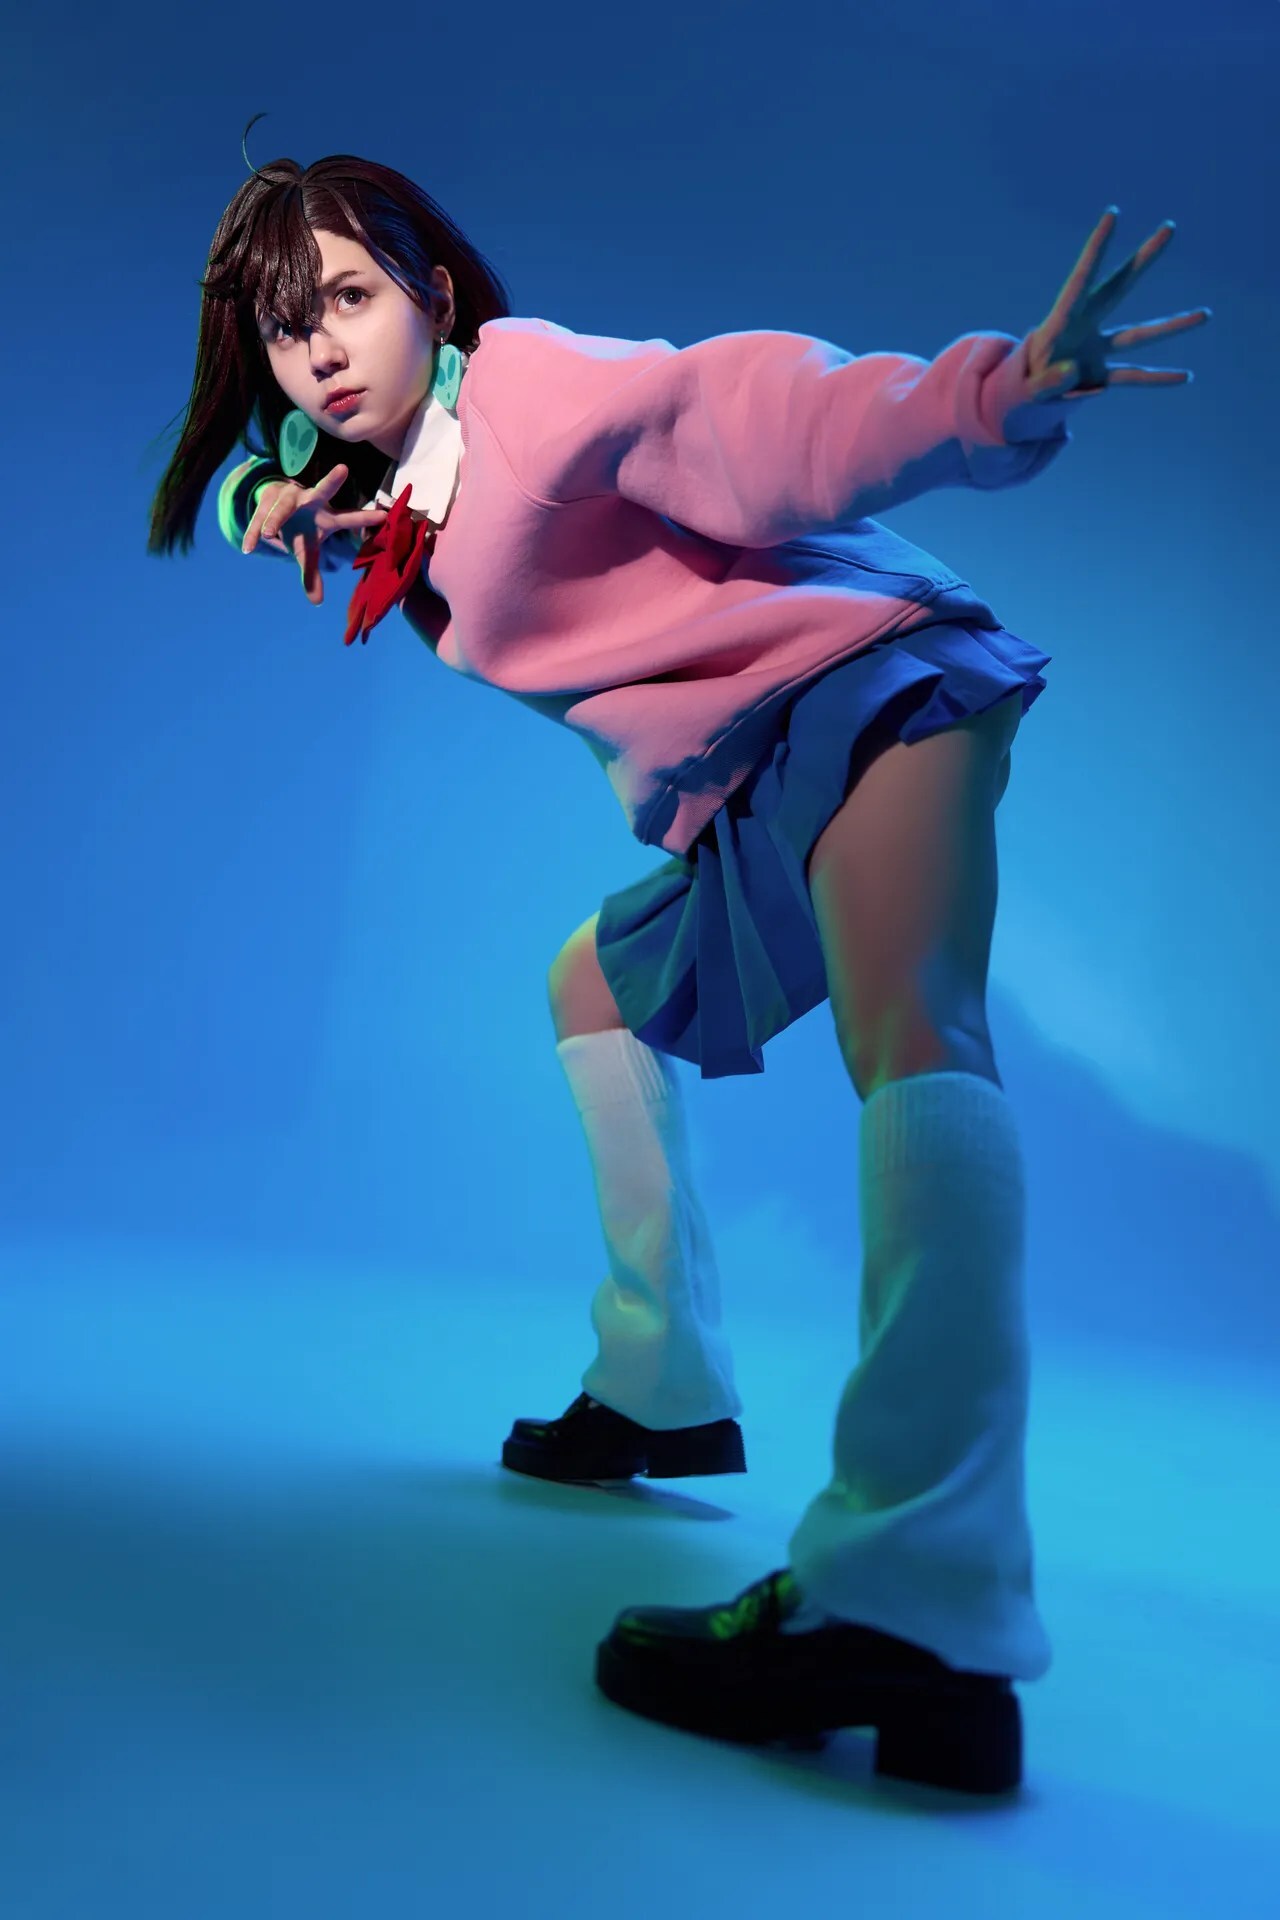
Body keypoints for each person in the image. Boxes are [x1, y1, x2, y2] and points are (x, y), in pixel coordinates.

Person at [147, 124, 1210, 1796]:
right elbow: (247, 470)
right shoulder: (372, 472)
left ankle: (920, 1599)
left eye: (350, 297)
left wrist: (993, 392)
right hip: (742, 785)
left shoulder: (533, 393)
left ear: (435, 295)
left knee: (916, 1034)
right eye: (289, 326)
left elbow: (749, 416)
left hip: (861, 684)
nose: (322, 350)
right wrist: (259, 499)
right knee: (593, 986)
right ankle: (659, 1383)